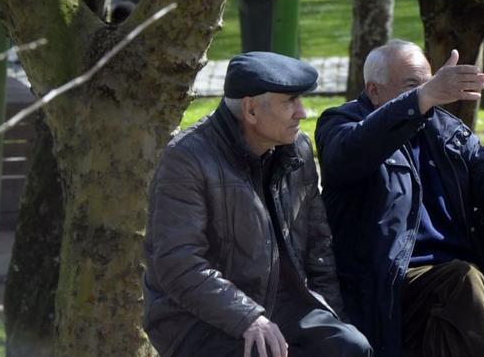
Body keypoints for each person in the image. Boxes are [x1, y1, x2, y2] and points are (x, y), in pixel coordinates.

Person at [315, 41, 484, 357]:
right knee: (462, 278)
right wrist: (421, 99)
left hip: (452, 278)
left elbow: (480, 172)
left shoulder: (444, 127)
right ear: (374, 90)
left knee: (470, 288)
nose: (428, 93)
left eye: (430, 82)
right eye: (413, 86)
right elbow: (348, 155)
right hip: (389, 278)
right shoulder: (340, 122)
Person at [143, 51, 371, 357]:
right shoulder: (187, 158)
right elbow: (179, 264)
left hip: (284, 305)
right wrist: (248, 316)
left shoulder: (297, 148)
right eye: (290, 102)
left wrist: (334, 316)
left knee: (350, 347)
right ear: (251, 110)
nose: (302, 113)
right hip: (196, 317)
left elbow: (319, 247)